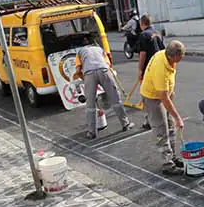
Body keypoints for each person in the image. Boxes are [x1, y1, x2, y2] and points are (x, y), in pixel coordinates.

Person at [140, 40, 186, 176]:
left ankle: (172, 157)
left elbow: (167, 93)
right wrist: (178, 117)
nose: (181, 60)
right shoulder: (160, 68)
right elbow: (163, 97)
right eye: (180, 57)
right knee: (162, 130)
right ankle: (167, 164)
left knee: (170, 127)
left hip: (163, 94)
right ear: (172, 56)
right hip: (153, 98)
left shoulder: (166, 57)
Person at [75, 42, 135, 139]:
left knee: (90, 105)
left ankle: (92, 132)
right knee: (116, 99)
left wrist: (84, 79)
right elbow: (108, 64)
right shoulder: (100, 49)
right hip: (104, 71)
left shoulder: (80, 52)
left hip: (89, 74)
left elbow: (78, 71)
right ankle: (126, 124)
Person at [137, 15, 165, 130]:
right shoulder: (157, 33)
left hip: (149, 68)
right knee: (161, 93)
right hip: (159, 67)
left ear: (142, 23)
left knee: (147, 94)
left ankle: (148, 120)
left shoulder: (143, 35)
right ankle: (164, 115)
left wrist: (139, 69)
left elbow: (142, 54)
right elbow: (163, 50)